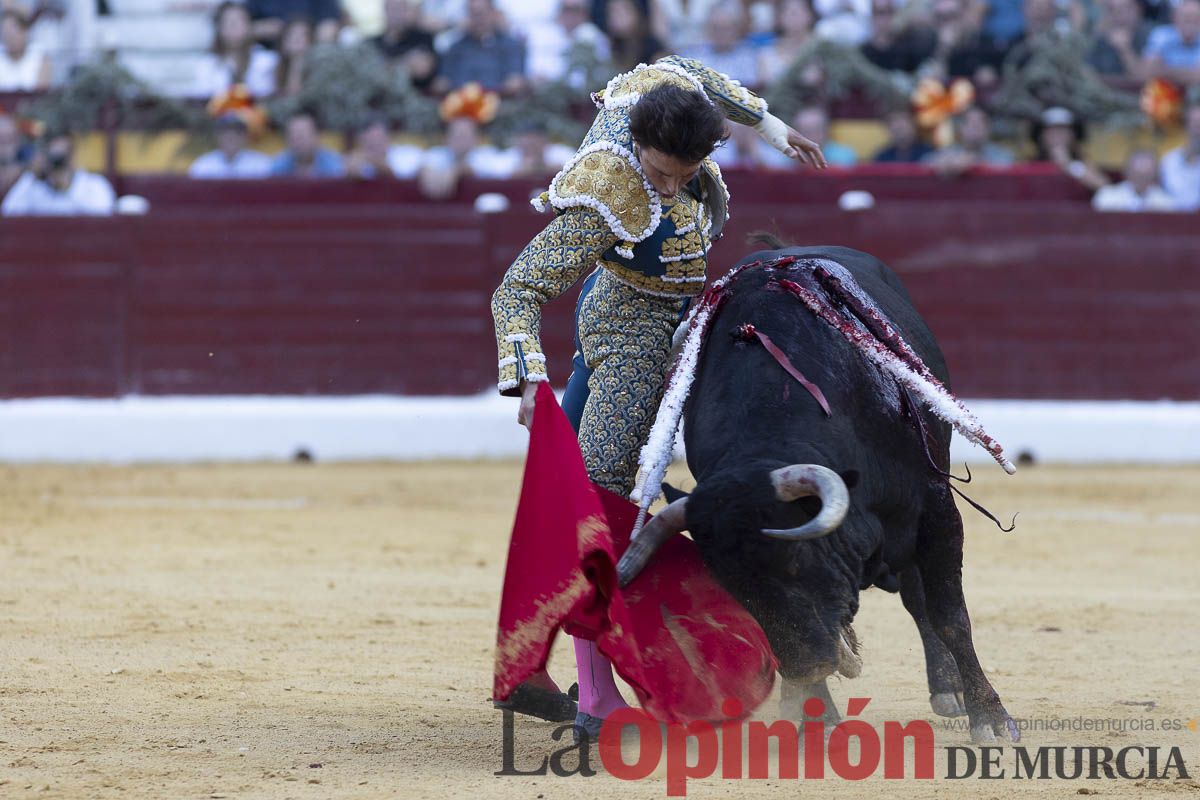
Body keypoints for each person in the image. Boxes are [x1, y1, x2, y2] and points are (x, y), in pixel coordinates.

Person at [490, 54, 825, 739]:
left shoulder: (661, 97)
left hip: (695, 308)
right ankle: (595, 692)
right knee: (605, 496)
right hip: (630, 326)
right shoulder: (611, 190)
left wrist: (772, 126)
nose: (668, 187)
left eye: (683, 174)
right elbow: (516, 289)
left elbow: (690, 69)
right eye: (659, 171)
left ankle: (535, 668)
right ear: (636, 144)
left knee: (576, 493)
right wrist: (528, 377)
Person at [2, 133, 115, 216]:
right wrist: (31, 177)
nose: (57, 172)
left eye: (60, 163)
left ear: (72, 158)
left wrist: (65, 188)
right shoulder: (34, 184)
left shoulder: (94, 185)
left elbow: (102, 220)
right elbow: (9, 213)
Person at [435, 0, 527, 94]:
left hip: (502, 105)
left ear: (493, 14)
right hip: (461, 104)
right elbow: (442, 82)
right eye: (473, 14)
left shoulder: (511, 46)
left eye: (481, 14)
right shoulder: (455, 49)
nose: (478, 20)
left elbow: (515, 81)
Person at [193, 2, 280, 99]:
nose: (233, 27)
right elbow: (204, 99)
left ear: (249, 25)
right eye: (228, 22)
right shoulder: (207, 63)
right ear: (219, 28)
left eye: (238, 21)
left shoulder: (267, 61)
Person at [1032, 106, 1110, 192]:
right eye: (1052, 130)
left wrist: (1069, 165)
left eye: (1063, 130)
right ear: (1040, 136)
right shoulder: (1029, 164)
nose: (1057, 135)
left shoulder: (1084, 164)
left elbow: (1104, 186)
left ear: (1074, 135)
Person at [923, 105, 1014, 175]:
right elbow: (923, 164)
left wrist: (971, 161)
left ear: (988, 129)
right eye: (969, 123)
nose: (975, 128)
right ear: (960, 128)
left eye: (980, 123)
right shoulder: (949, 153)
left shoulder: (1002, 155)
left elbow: (1006, 169)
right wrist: (944, 163)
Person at [371, 0, 439, 91]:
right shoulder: (372, 42)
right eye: (392, 9)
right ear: (385, 11)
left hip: (413, 95)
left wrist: (387, 66)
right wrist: (405, 63)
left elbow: (422, 70)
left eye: (400, 9)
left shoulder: (423, 38)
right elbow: (368, 73)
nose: (396, 14)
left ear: (408, 12)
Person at [189, 113, 273, 179]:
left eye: (237, 133)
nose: (231, 137)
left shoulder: (262, 164)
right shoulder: (203, 165)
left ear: (245, 137)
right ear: (217, 136)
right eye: (225, 133)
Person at [1091, 148, 1177, 211]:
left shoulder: (1166, 203)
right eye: (1137, 174)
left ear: (1155, 175)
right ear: (1126, 172)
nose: (1141, 180)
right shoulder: (1107, 197)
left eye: (1146, 175)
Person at [345, 116, 426, 179]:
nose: (375, 144)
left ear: (388, 138)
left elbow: (399, 178)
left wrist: (374, 161)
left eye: (378, 139)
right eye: (369, 142)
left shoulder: (409, 154)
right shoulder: (357, 158)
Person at [1142, 0, 1200, 86]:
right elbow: (1148, 72)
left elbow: (1197, 77)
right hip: (1162, 93)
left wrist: (1165, 71)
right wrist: (1189, 73)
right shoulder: (1160, 36)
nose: (1191, 22)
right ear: (1174, 18)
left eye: (1196, 19)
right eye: (1186, 18)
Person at [269, 113, 345, 177]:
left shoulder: (333, 163)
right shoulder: (280, 164)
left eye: (301, 136)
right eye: (293, 137)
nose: (297, 142)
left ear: (316, 137)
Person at [1160, 102, 1200, 210]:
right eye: (1196, 125)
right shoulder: (1169, 161)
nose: (1199, 132)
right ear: (1186, 127)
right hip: (1172, 223)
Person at [0, 9, 50, 91]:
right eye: (6, 33)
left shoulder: (41, 56)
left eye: (13, 33)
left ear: (25, 31)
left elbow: (42, 94)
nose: (9, 38)